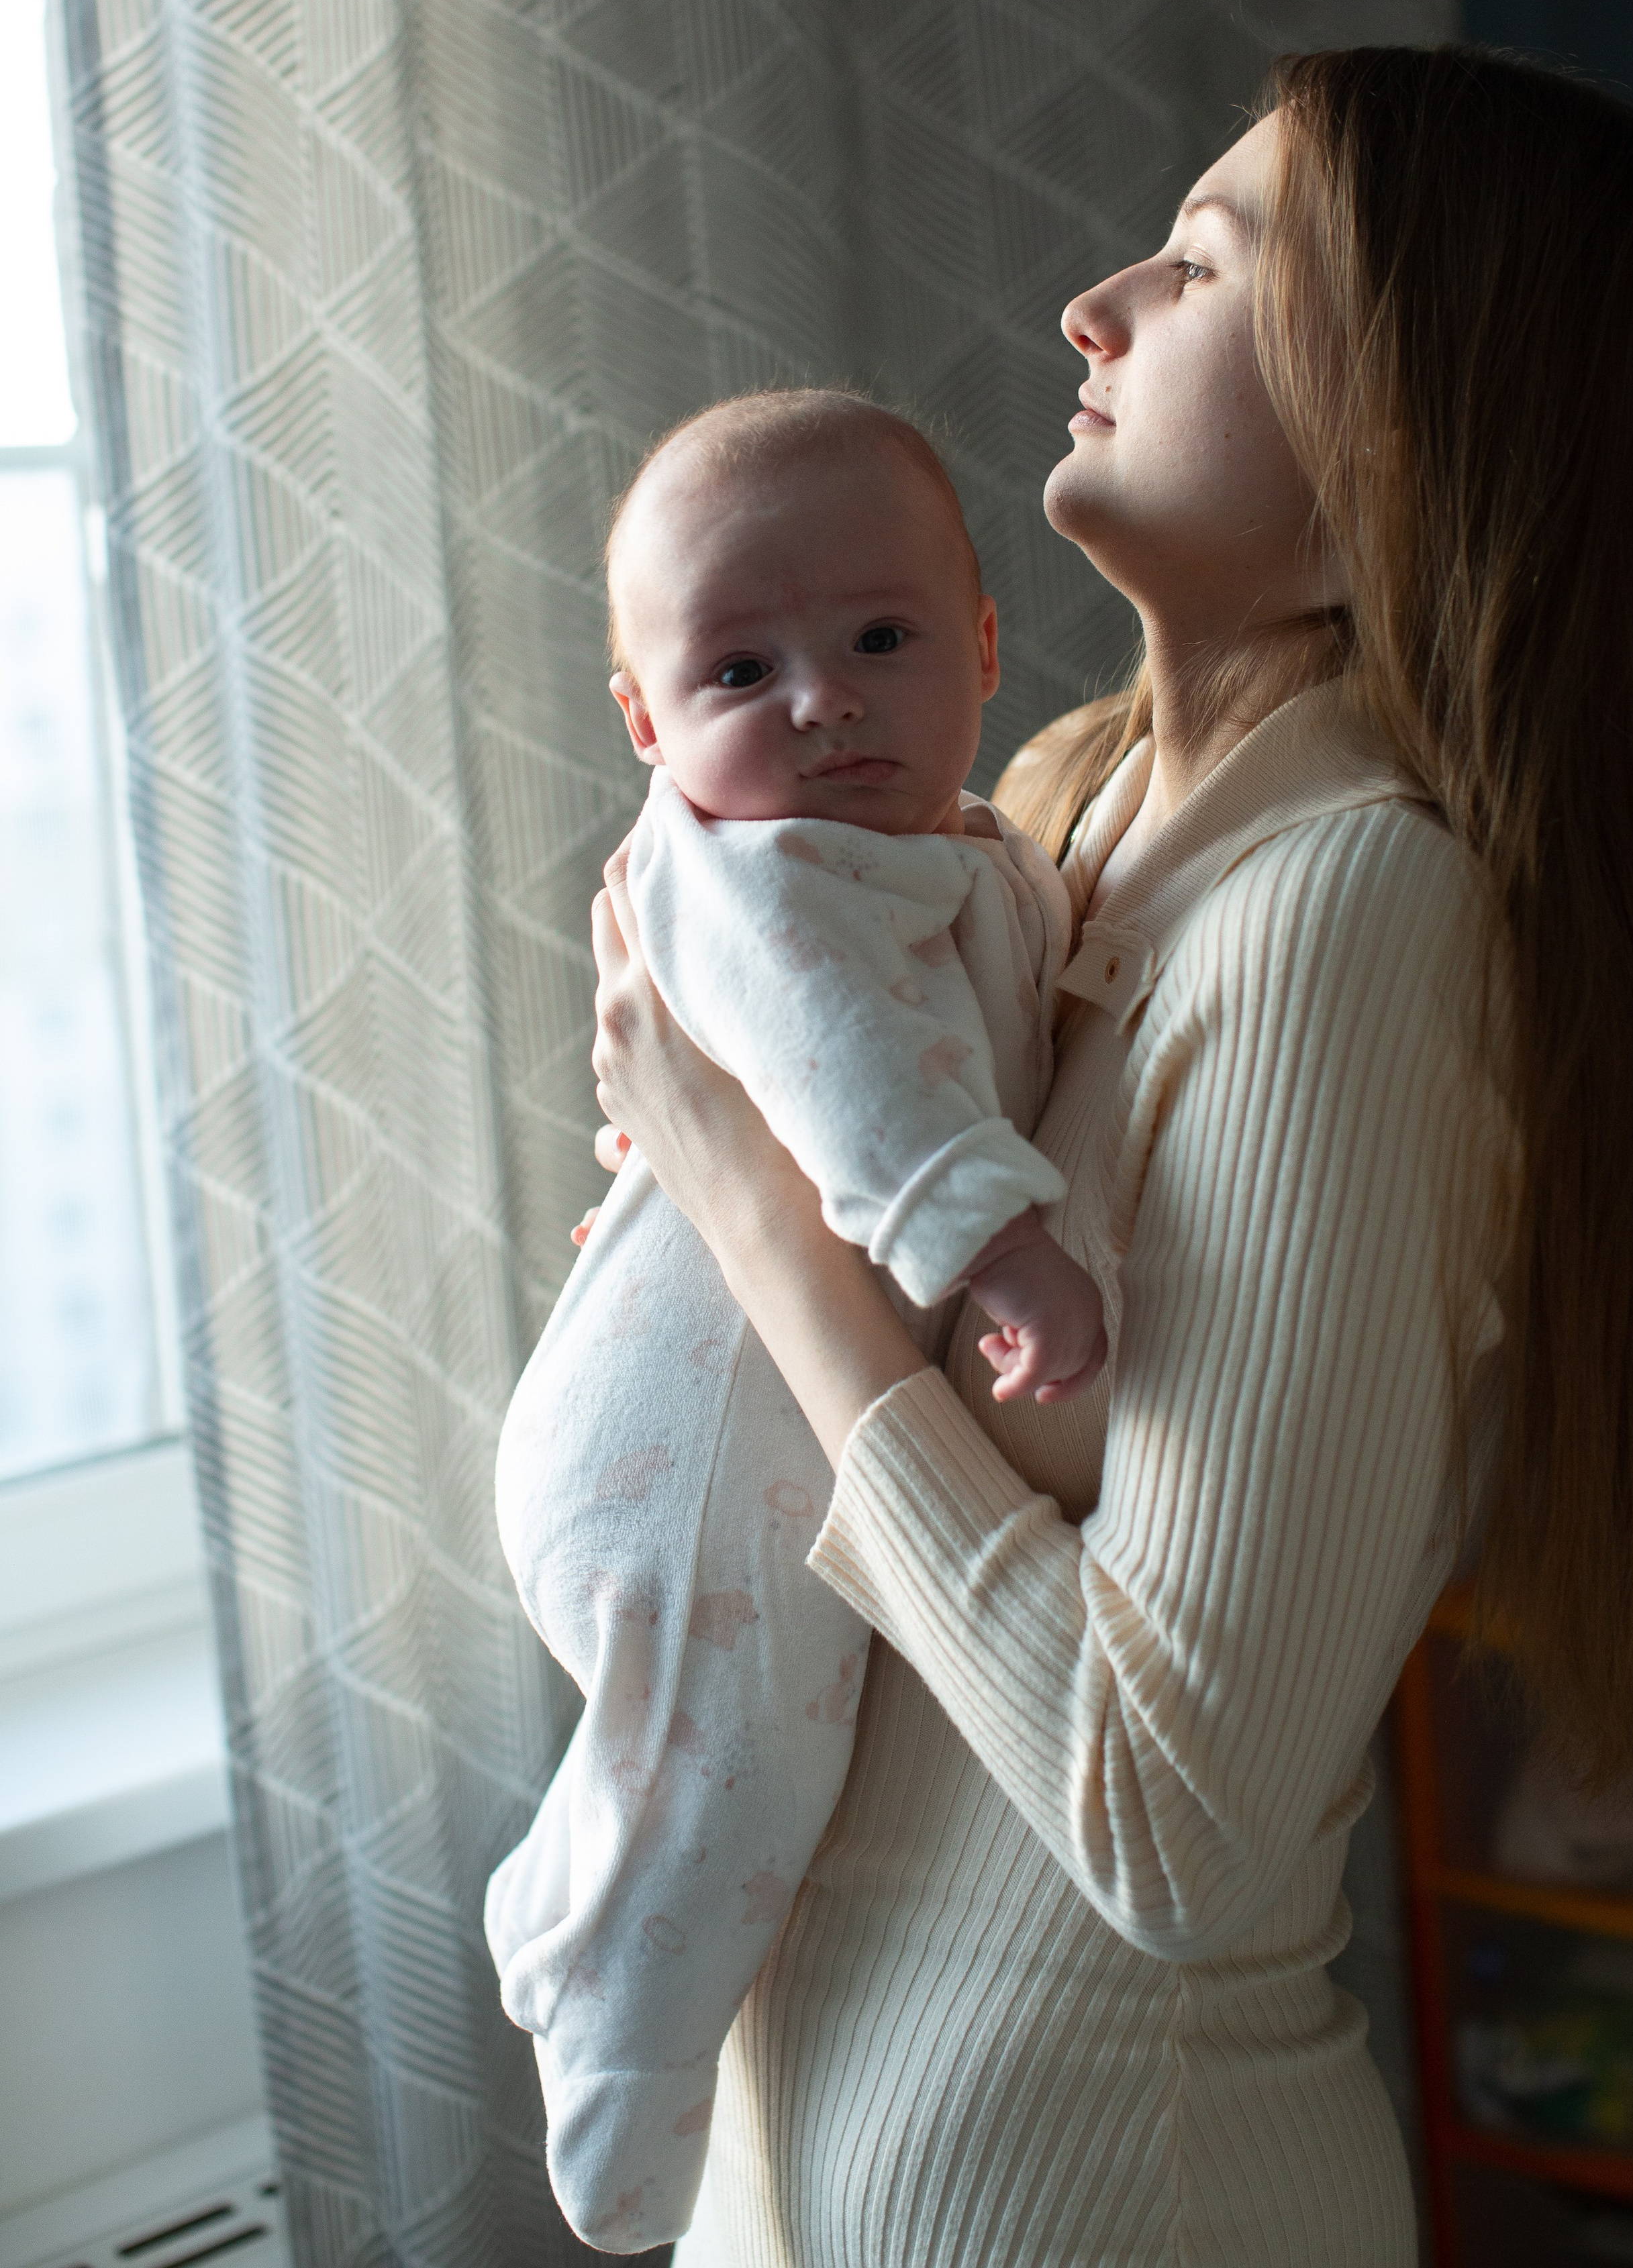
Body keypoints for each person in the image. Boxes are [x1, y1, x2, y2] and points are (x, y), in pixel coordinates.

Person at [583, 46, 1633, 2266]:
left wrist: (769, 1231)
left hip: (1104, 2191)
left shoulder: (1352, 914)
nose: (1096, 303)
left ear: (1396, 420)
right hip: (801, 2161)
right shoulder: (1055, 823)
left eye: (1203, 265)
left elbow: (1173, 1818)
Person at [485, 392, 1103, 2253]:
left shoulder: (960, 844)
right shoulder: (758, 876)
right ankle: (608, 2044)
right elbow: (857, 1083)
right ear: (648, 725)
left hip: (730, 1396)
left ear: (984, 647)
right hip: (677, 1445)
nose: (824, 698)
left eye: (882, 640)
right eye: (741, 665)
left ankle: (575, 1895)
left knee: (739, 1744)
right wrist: (1001, 1247)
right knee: (741, 1760)